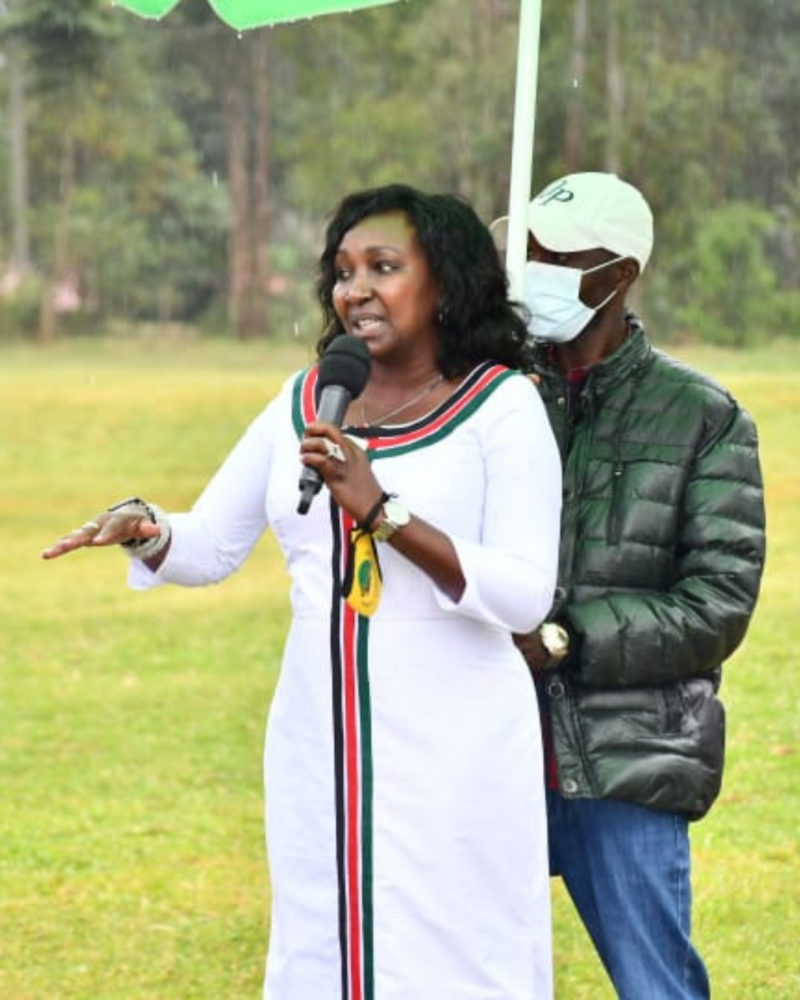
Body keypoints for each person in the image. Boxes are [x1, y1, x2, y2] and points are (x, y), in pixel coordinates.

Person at [43, 183, 563, 1000]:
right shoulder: (304, 401)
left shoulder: (502, 409)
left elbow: (527, 595)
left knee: (454, 953)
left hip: (456, 747)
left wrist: (385, 512)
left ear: (446, 285)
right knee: (326, 945)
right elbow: (212, 543)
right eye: (344, 271)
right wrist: (147, 527)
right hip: (318, 739)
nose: (354, 290)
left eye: (384, 267)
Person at [509, 172, 766, 999]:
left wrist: (567, 638)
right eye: (528, 252)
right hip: (487, 747)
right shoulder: (493, 394)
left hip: (628, 757)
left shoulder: (703, 416)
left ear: (617, 275)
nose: (534, 271)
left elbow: (717, 602)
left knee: (656, 986)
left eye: (558, 257)